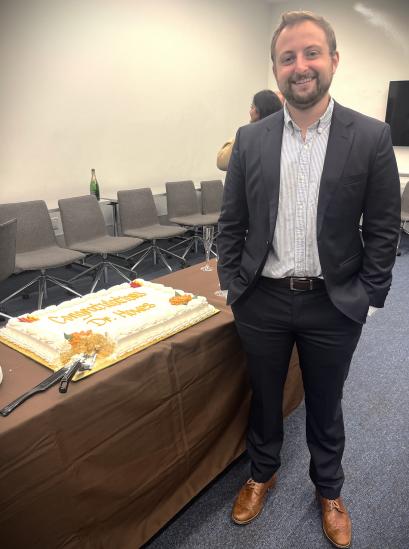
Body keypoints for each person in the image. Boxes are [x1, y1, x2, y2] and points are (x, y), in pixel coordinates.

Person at [217, 10, 401, 548]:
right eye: (288, 57)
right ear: (276, 69)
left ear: (333, 61)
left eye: (311, 54)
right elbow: (232, 222)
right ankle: (261, 473)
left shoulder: (370, 136)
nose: (301, 66)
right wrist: (235, 285)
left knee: (326, 399)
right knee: (265, 394)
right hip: (263, 299)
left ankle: (329, 489)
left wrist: (368, 296)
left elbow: (383, 224)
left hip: (333, 302)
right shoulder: (250, 139)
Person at [216, 90, 282, 171]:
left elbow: (222, 162)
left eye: (252, 107)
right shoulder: (284, 136)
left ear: (258, 112)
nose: (250, 112)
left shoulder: (247, 138)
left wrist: (243, 134)